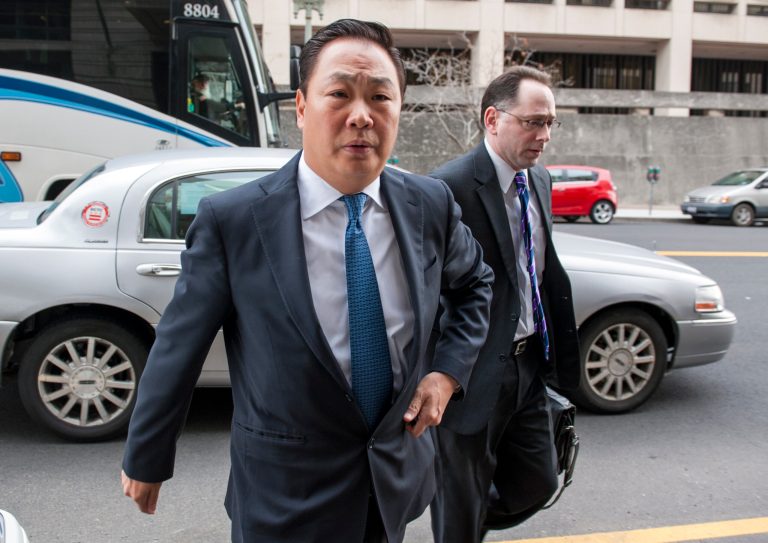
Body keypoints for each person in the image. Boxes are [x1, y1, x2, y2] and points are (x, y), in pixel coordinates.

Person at [121, 18, 493, 543]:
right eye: (339, 93)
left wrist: (446, 374)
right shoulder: (236, 221)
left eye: (380, 98)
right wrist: (147, 456)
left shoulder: (428, 205)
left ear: (398, 111)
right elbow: (179, 346)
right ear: (301, 107)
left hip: (392, 479)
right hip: (283, 496)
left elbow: (476, 284)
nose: (361, 116)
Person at [428, 66, 581, 543]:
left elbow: (540, 268)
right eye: (534, 122)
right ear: (493, 119)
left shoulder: (539, 182)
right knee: (459, 505)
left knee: (539, 482)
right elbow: (425, 293)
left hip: (529, 365)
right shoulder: (444, 189)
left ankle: (468, 521)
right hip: (470, 376)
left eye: (551, 122)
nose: (545, 135)